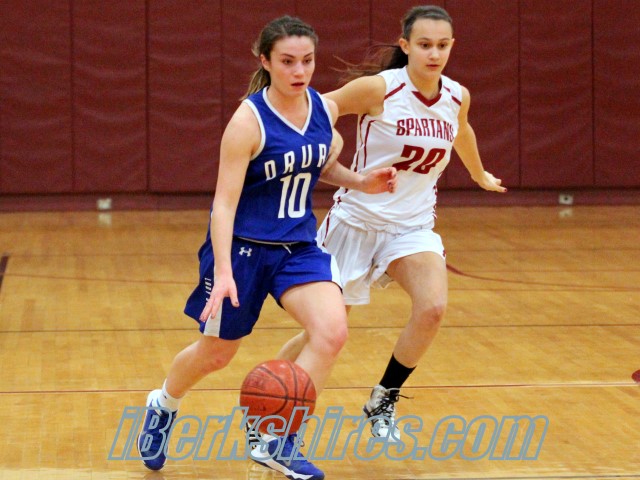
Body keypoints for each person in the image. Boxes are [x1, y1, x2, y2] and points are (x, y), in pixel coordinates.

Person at [135, 15, 397, 480]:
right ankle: (164, 403)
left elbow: (318, 163)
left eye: (308, 61)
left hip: (297, 246)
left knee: (332, 332)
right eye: (288, 61)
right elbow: (223, 204)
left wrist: (361, 182)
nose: (300, 71)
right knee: (216, 354)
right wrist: (224, 271)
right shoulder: (247, 122)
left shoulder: (322, 109)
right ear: (266, 61)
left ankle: (279, 439)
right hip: (242, 249)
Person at [277, 5, 507, 443]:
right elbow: (321, 107)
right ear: (406, 46)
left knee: (432, 308)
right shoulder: (380, 88)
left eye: (442, 45)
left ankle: (383, 398)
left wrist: (479, 174)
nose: (434, 53)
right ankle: (276, 403)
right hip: (356, 222)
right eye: (424, 45)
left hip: (411, 227)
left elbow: (462, 130)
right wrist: (329, 144)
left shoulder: (456, 95)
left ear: (452, 46)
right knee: (325, 332)